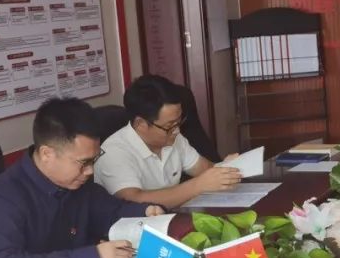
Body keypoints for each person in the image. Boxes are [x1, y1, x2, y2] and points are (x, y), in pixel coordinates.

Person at [0, 97, 164, 258]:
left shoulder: (78, 183)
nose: (90, 171)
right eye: (84, 163)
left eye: (94, 160)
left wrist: (146, 212)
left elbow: (111, 212)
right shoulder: (3, 198)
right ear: (47, 154)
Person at [94, 75, 241, 208]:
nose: (176, 131)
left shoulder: (173, 138)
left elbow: (204, 168)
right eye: (169, 126)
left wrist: (228, 168)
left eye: (178, 122)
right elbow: (133, 201)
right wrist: (197, 186)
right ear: (140, 124)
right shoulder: (114, 153)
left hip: (171, 218)